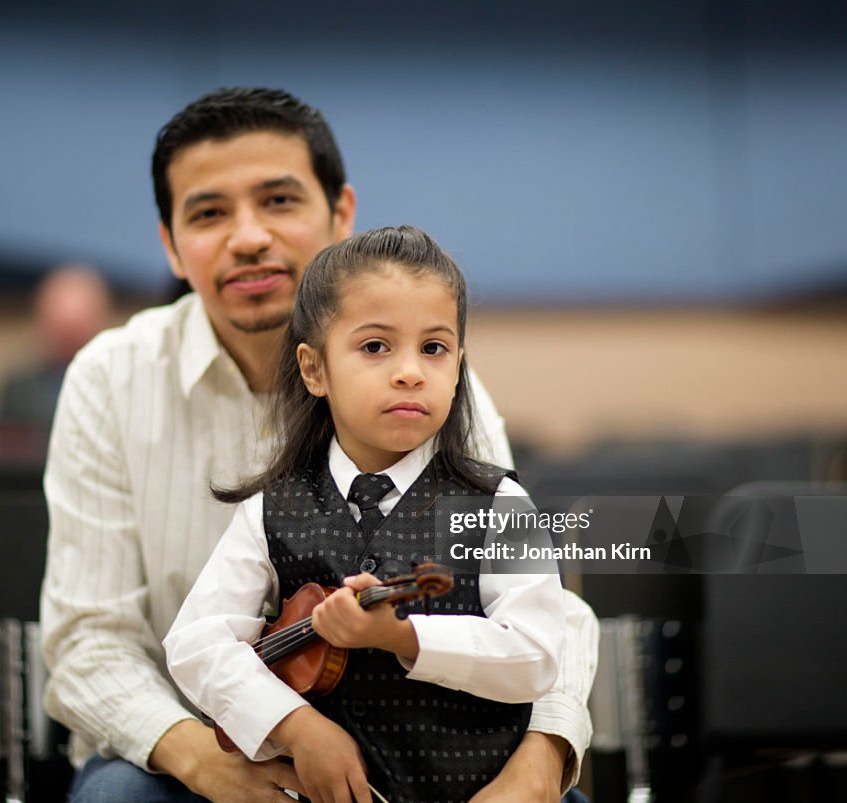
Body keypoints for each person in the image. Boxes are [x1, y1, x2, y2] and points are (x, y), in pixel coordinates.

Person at [40, 87, 597, 802]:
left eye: (278, 201)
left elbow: (546, 612)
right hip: (194, 746)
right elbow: (91, 640)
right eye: (209, 213)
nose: (247, 237)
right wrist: (211, 758)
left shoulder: (422, 387)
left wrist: (540, 761)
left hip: (438, 744)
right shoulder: (108, 378)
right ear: (171, 245)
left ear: (340, 216)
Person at [165, 226, 566, 803]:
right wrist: (296, 727)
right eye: (375, 346)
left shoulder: (500, 503)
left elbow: (538, 655)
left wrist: (406, 637)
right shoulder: (269, 507)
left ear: (458, 369)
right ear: (314, 369)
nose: (410, 371)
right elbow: (198, 643)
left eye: (434, 348)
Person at [0, 263, 112, 434]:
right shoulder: (18, 386)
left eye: (77, 329)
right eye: (63, 329)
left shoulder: (116, 383)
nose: (69, 339)